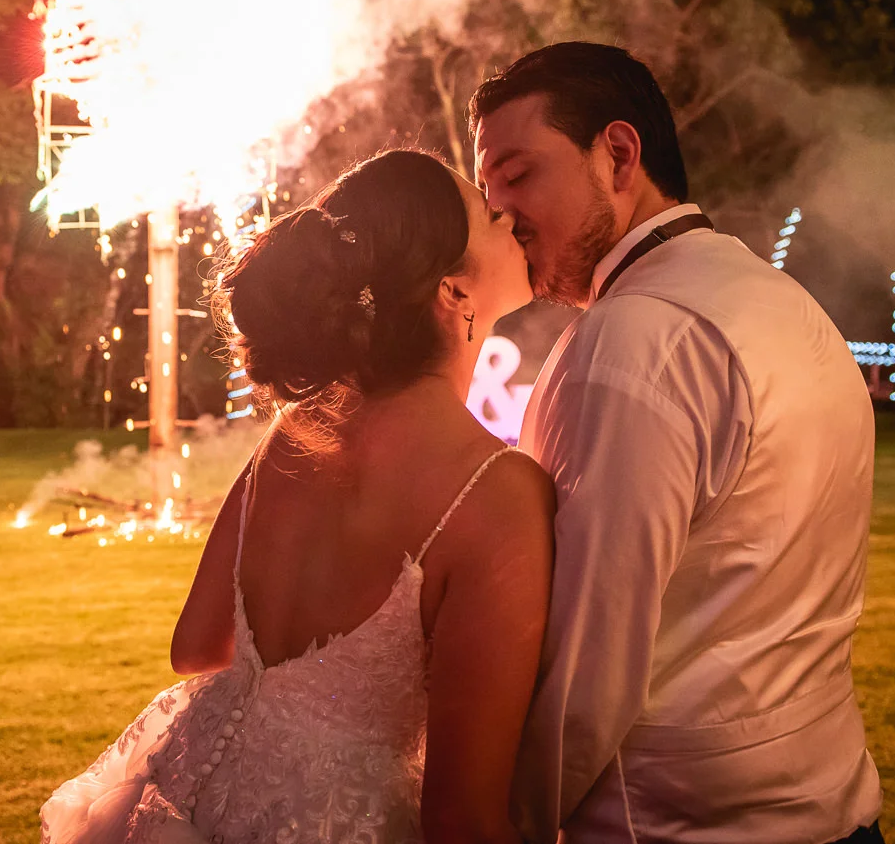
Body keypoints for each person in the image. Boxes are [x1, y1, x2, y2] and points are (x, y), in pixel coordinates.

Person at [39, 149, 556, 844]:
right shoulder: (493, 491)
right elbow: (463, 819)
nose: (512, 217)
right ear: (453, 292)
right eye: (492, 216)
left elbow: (196, 645)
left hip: (189, 789)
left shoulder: (295, 428)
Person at [469, 42, 884, 844]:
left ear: (619, 154)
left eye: (518, 175)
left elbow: (587, 665)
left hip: (670, 820)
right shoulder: (783, 301)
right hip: (830, 799)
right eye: (490, 194)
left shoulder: (631, 341)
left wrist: (506, 823)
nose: (503, 214)